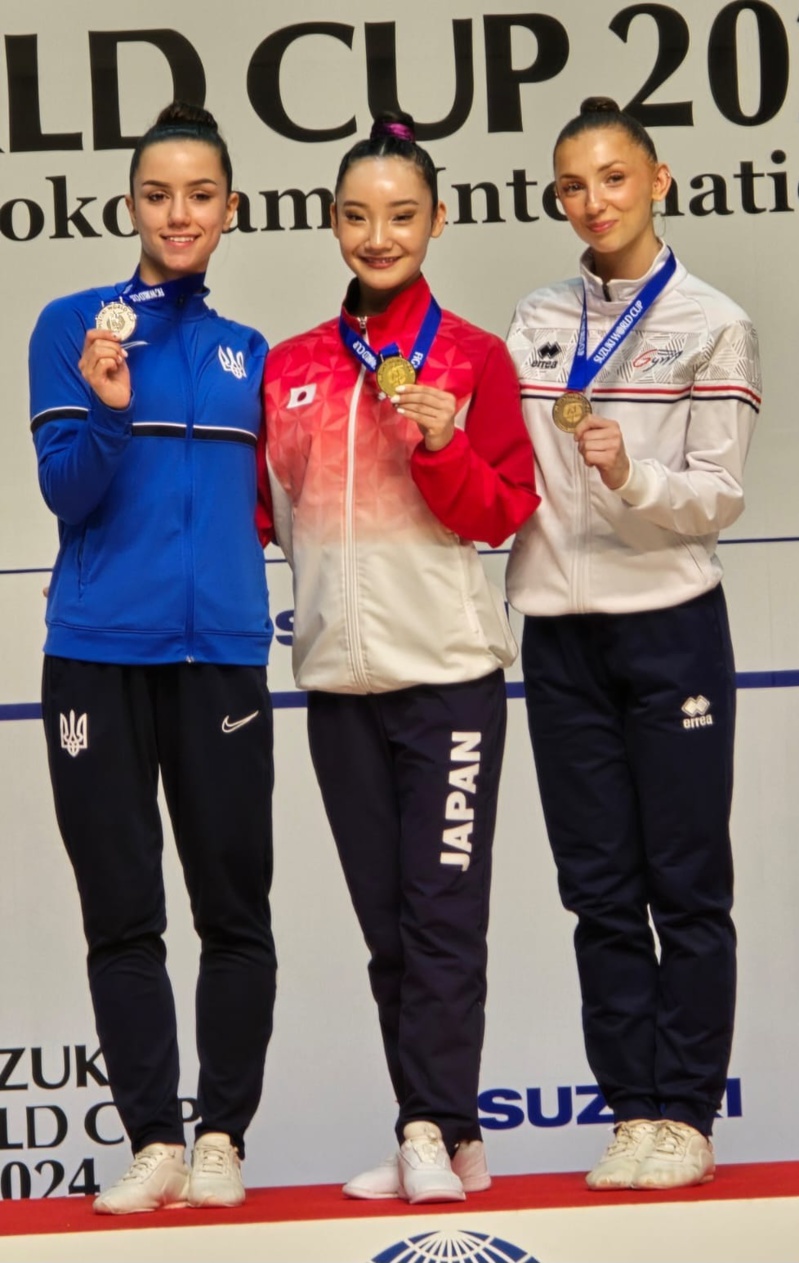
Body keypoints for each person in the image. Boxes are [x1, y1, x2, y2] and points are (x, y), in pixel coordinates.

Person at [261, 112, 539, 1204]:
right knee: (390, 931)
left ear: (437, 221)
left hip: (450, 681)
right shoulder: (290, 369)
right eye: (359, 216)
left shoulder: (470, 358)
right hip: (336, 685)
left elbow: (499, 512)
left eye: (403, 216)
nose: (380, 236)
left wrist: (441, 444)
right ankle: (452, 1136)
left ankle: (423, 1127)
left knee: (442, 919)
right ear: (334, 224)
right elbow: (261, 517)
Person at [506, 97, 761, 1191]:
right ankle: (630, 1113)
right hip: (559, 636)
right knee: (597, 890)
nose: (591, 202)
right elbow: (505, 468)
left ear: (657, 181)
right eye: (571, 185)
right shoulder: (535, 318)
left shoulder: (713, 319)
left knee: (686, 883)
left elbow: (717, 497)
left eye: (612, 178)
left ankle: (689, 1113)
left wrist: (625, 474)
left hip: (668, 626)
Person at [28, 102, 276, 1214]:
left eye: (200, 194)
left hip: (219, 657)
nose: (178, 214)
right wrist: (110, 409)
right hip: (95, 659)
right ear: (130, 205)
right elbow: (66, 493)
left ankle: (220, 1137)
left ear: (229, 210)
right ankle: (153, 1143)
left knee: (235, 912)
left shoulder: (249, 356)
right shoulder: (70, 325)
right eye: (157, 194)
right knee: (121, 914)